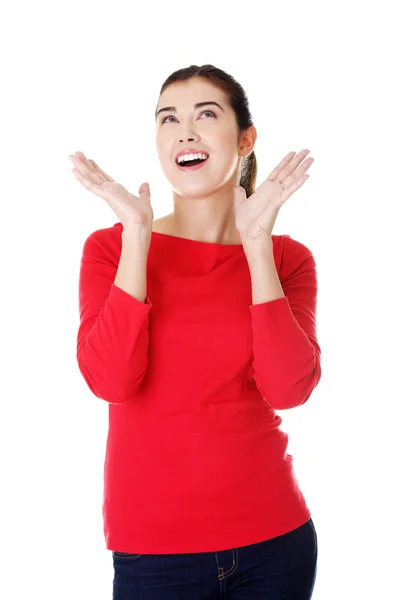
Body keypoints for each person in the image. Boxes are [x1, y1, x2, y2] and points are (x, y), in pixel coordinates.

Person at [72, 64, 321, 599]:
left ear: (245, 139)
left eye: (206, 115)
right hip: (156, 552)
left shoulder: (286, 258)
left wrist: (256, 248)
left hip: (276, 540)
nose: (185, 131)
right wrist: (137, 237)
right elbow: (111, 382)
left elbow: (288, 389)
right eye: (169, 119)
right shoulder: (111, 249)